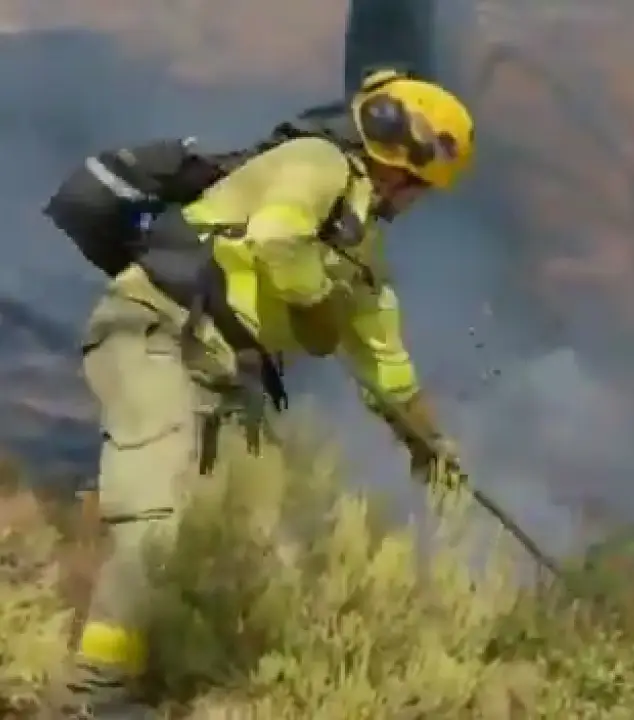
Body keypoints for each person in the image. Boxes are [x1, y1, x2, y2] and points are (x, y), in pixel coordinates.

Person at [50, 68, 475, 718]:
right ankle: (95, 693)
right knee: (157, 514)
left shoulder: (363, 255)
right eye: (423, 186)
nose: (419, 201)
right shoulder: (315, 162)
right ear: (405, 168)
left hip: (226, 372)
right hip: (155, 333)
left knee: (267, 527)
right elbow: (276, 239)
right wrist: (316, 302)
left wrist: (429, 445)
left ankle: (203, 671)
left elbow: (388, 372)